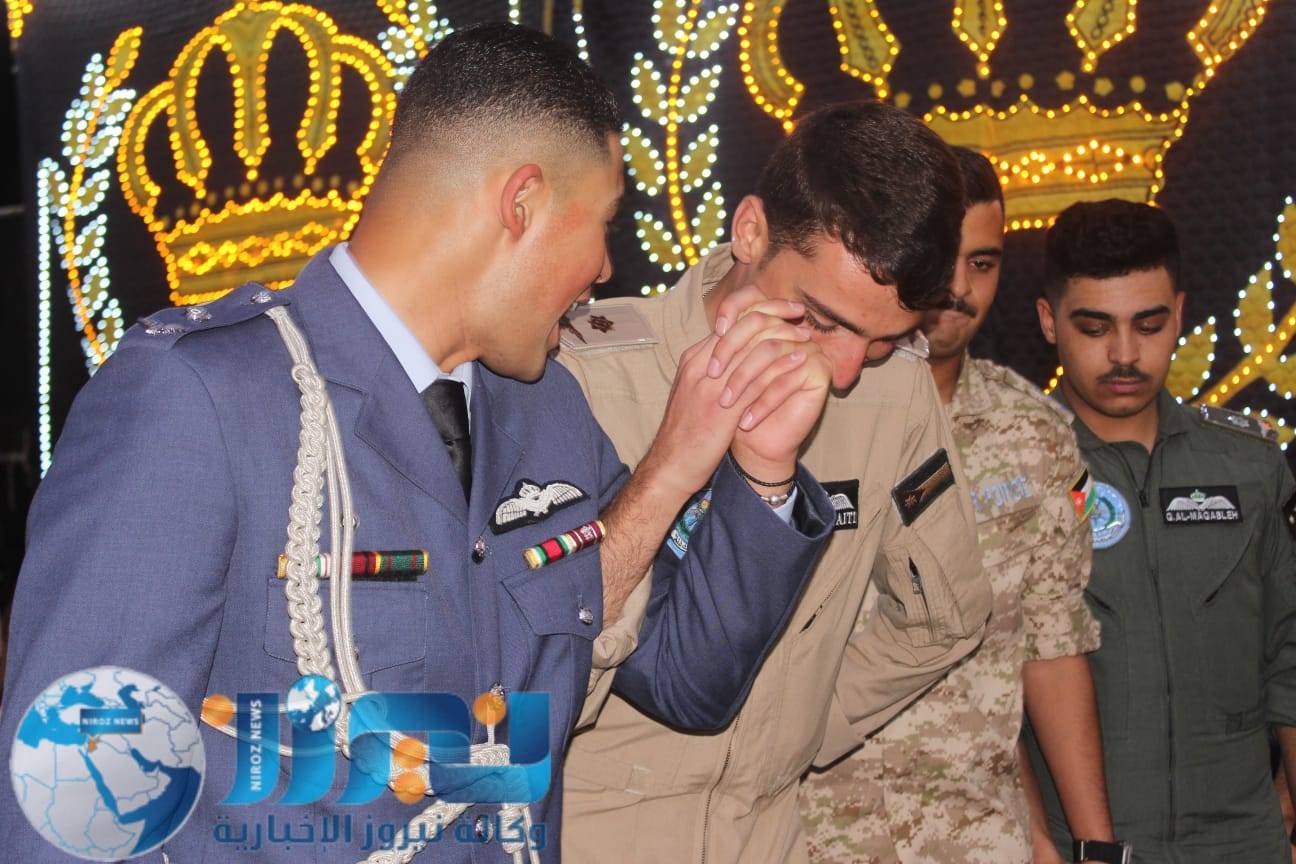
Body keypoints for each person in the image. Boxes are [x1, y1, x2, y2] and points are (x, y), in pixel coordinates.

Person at [0, 25, 841, 863]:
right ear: (522, 204)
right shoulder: (200, 397)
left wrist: (760, 465)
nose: (604, 269)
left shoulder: (546, 410)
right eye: (603, 224)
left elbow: (690, 683)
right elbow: (72, 806)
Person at [554, 101, 992, 863]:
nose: (845, 369)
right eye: (821, 319)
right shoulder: (583, 373)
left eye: (883, 340)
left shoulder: (895, 391)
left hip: (773, 834)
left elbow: (945, 616)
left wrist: (797, 731)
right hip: (589, 830)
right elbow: (531, 653)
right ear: (751, 230)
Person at [800, 147, 1120, 864]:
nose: (957, 287)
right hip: (809, 833)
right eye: (943, 256)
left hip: (976, 835)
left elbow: (1051, 649)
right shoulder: (796, 416)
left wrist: (1095, 847)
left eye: (983, 262)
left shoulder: (1035, 433)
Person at [1023, 198, 1296, 863]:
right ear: (1049, 321)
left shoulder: (1248, 468)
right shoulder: (1010, 478)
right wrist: (1036, 844)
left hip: (1244, 843)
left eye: (1148, 325)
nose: (1124, 354)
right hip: (1079, 845)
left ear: (1178, 314)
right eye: (1094, 328)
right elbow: (976, 695)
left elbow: (1290, 659)